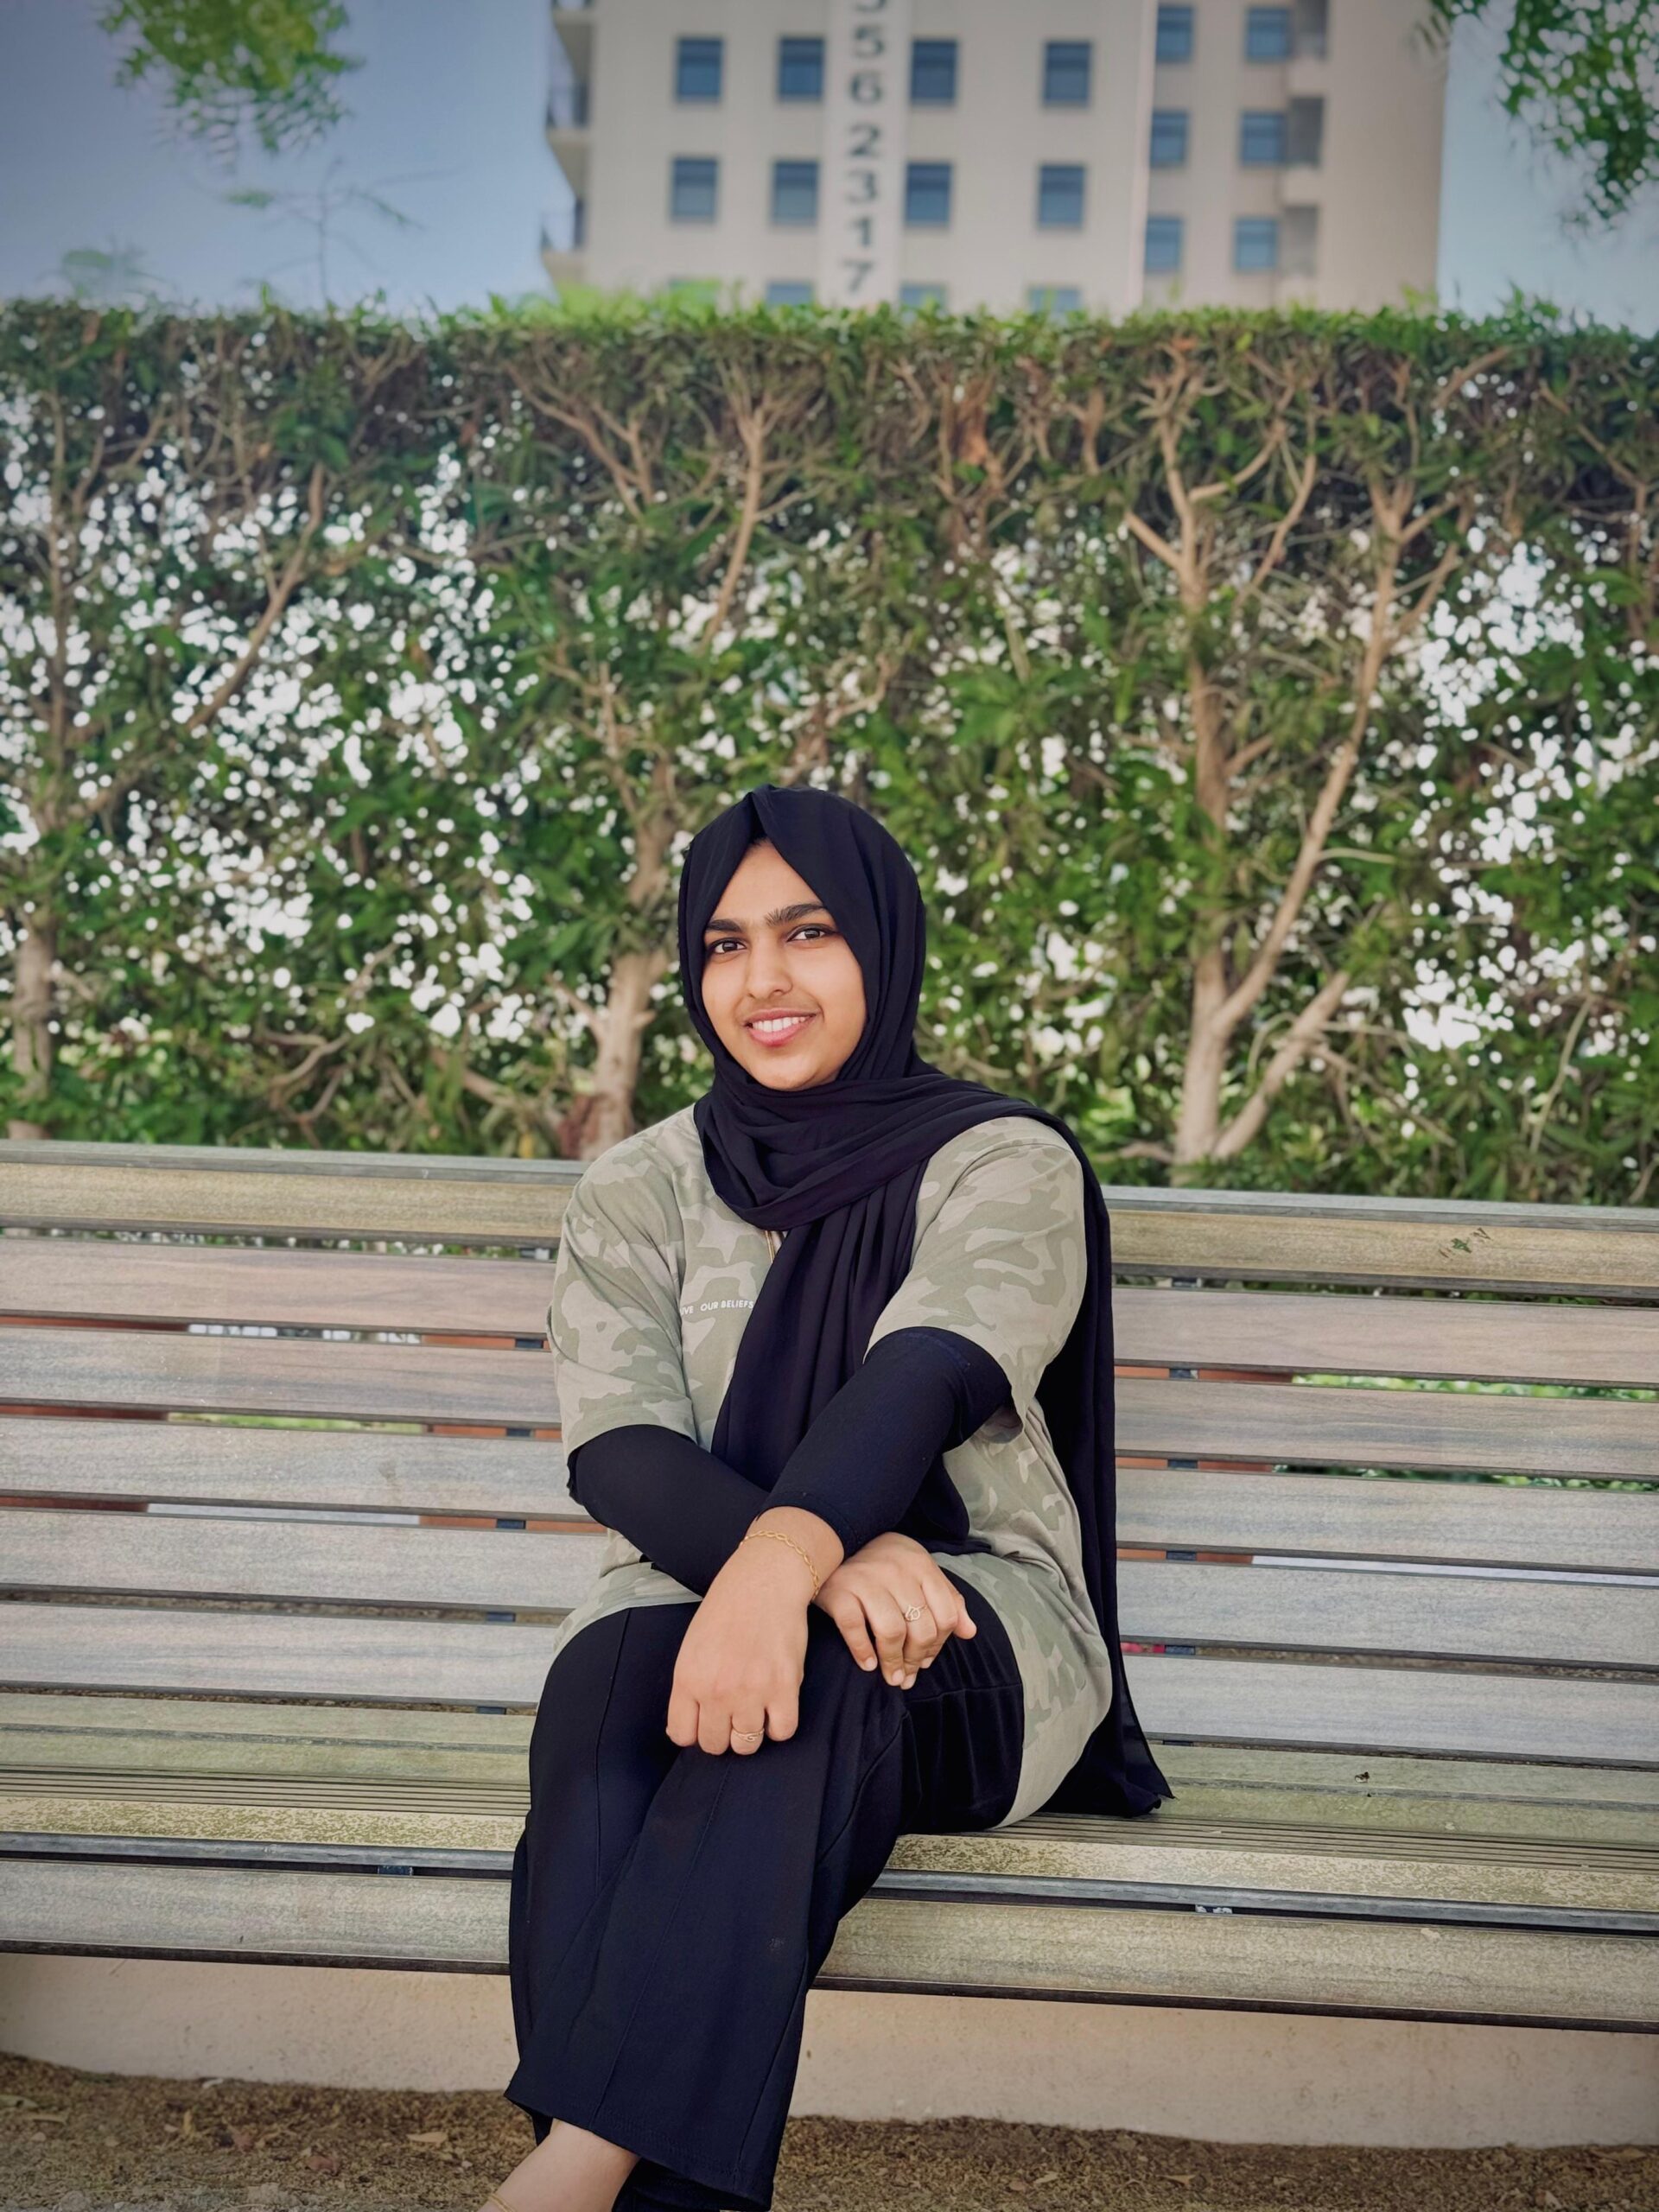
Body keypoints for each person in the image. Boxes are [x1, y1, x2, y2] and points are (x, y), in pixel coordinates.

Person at [484, 783, 1173, 2212]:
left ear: (882, 940)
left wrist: (782, 1564)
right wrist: (808, 1563)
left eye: (807, 933)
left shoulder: (1002, 1161)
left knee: (828, 1684)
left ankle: (571, 2172)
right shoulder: (640, 1188)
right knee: (600, 1708)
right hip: (704, 1586)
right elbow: (618, 1449)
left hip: (972, 1622)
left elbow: (926, 1375)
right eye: (724, 945)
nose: (763, 981)